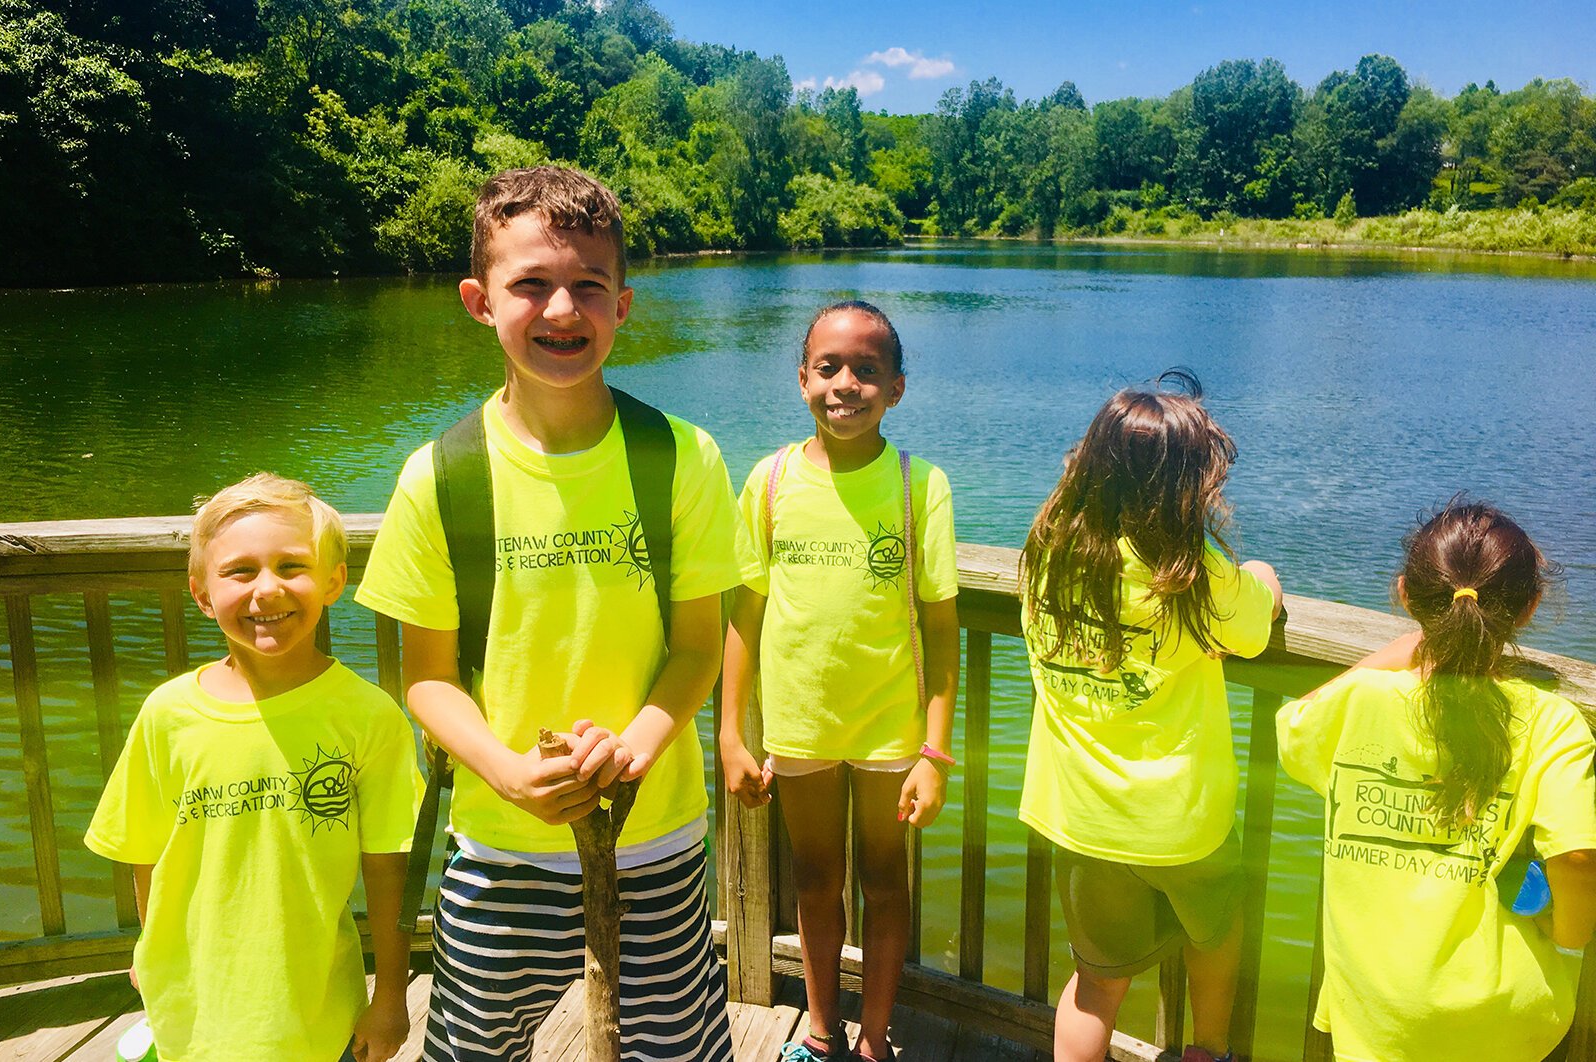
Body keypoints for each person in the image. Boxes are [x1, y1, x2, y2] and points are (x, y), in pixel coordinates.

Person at [355, 166, 743, 1061]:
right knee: (472, 1046)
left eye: (588, 286)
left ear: (625, 304)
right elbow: (427, 677)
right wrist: (506, 774)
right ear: (478, 301)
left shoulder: (682, 456)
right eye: (530, 284)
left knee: (676, 1046)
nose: (562, 309)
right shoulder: (441, 475)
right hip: (499, 844)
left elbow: (695, 649)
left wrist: (633, 749)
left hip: (655, 837)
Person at [85, 473, 422, 1062]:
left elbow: (391, 870)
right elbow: (144, 850)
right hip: (193, 1014)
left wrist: (390, 994)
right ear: (201, 592)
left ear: (334, 581)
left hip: (317, 1015)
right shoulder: (167, 714)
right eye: (240, 571)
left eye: (292, 566)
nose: (267, 590)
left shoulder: (370, 716)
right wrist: (147, 945)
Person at [1018, 370, 1282, 1062]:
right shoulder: (1193, 576)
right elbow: (1257, 623)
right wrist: (1261, 571)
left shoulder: (1047, 556)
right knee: (1216, 934)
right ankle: (1208, 1048)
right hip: (1183, 820)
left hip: (1082, 815)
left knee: (1095, 983)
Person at [721, 300, 961, 1062]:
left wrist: (935, 752)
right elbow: (744, 617)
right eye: (828, 368)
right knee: (816, 880)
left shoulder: (919, 485)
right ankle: (822, 1037)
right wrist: (730, 731)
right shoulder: (769, 480)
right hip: (798, 725)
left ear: (896, 388)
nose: (845, 384)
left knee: (885, 881)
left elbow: (943, 636)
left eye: (867, 369)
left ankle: (875, 1041)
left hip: (890, 725)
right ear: (801, 381)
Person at [1276, 501, 1596, 1062]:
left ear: (1405, 594)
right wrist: (1570, 937)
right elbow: (1577, 858)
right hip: (1503, 1019)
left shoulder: (1358, 702)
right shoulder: (1551, 721)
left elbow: (1295, 725)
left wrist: (1400, 651)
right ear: (1529, 608)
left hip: (1376, 1012)